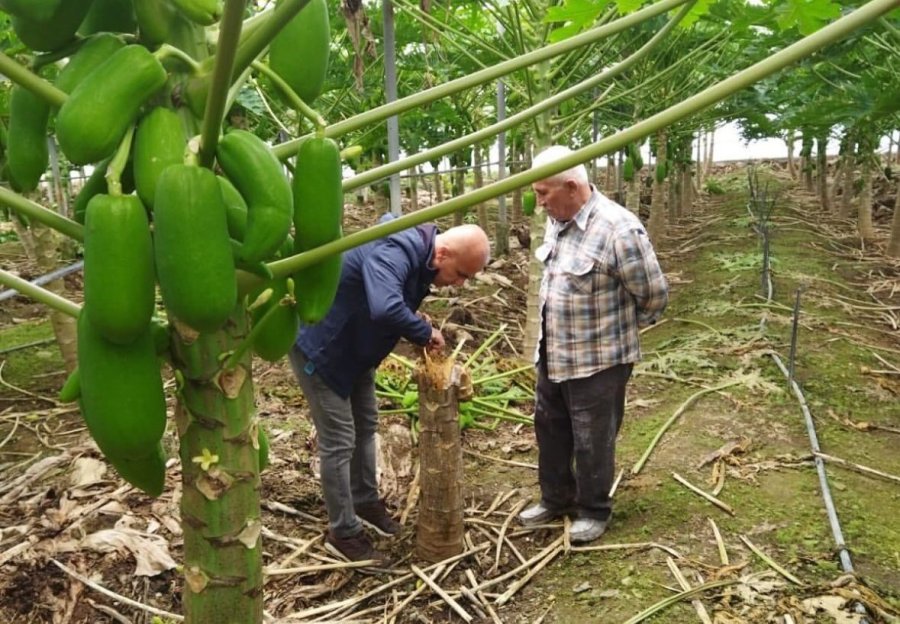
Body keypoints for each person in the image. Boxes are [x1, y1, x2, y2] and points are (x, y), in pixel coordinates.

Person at [290, 218, 491, 567]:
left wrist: (416, 317)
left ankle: (365, 501)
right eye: (461, 274)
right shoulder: (396, 249)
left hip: (354, 353)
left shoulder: (420, 258)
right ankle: (343, 532)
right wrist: (423, 332)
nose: (459, 284)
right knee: (339, 440)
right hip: (323, 351)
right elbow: (384, 305)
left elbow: (388, 298)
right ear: (441, 252)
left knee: (366, 426)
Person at [518, 145, 668, 543]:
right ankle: (556, 499)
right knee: (550, 429)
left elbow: (654, 295)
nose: (539, 202)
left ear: (571, 186)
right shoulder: (558, 219)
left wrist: (614, 334)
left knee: (592, 437)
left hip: (599, 360)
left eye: (543, 193)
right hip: (553, 352)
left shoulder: (619, 229)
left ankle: (593, 509)